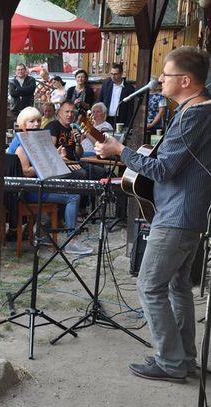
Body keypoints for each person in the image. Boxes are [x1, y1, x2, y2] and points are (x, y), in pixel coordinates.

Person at [95, 46, 211, 383]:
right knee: (177, 286)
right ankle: (184, 359)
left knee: (149, 285)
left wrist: (120, 150)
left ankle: (171, 362)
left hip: (176, 215)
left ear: (186, 80)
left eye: (167, 74)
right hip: (186, 214)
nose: (159, 79)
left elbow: (163, 168)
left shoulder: (193, 115)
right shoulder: (197, 111)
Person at [11, 108, 92, 255]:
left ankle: (45, 232)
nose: (36, 124)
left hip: (34, 187)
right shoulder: (22, 144)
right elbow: (26, 172)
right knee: (73, 197)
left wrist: (56, 157)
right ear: (23, 124)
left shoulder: (28, 139)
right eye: (31, 121)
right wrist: (52, 160)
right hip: (27, 191)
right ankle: (71, 241)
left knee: (71, 184)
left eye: (38, 121)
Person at [99, 62, 136, 126]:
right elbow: (100, 101)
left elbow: (130, 108)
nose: (113, 76)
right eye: (111, 74)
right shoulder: (106, 85)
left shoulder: (129, 88)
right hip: (106, 118)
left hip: (121, 119)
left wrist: (128, 124)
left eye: (115, 74)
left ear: (121, 74)